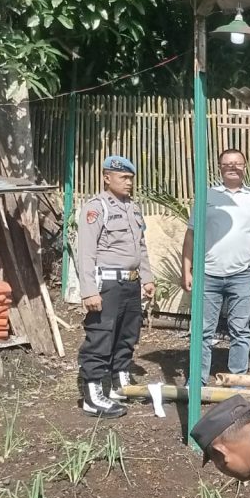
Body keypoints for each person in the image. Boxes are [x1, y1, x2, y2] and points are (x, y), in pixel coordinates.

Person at [181, 149, 250, 385]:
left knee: (240, 330)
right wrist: (187, 269)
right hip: (208, 274)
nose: (232, 167)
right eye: (227, 164)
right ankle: (197, 381)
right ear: (220, 168)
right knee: (202, 331)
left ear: (245, 166)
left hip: (243, 274)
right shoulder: (207, 196)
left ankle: (237, 381)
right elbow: (191, 234)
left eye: (237, 163)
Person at [75, 155, 155, 418]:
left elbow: (140, 246)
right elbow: (85, 251)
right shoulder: (97, 208)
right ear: (106, 177)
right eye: (123, 177)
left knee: (127, 335)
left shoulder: (132, 207)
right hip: (107, 283)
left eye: (131, 178)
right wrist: (89, 290)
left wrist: (147, 277)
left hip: (131, 283)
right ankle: (93, 395)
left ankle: (120, 385)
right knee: (101, 336)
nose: (128, 182)